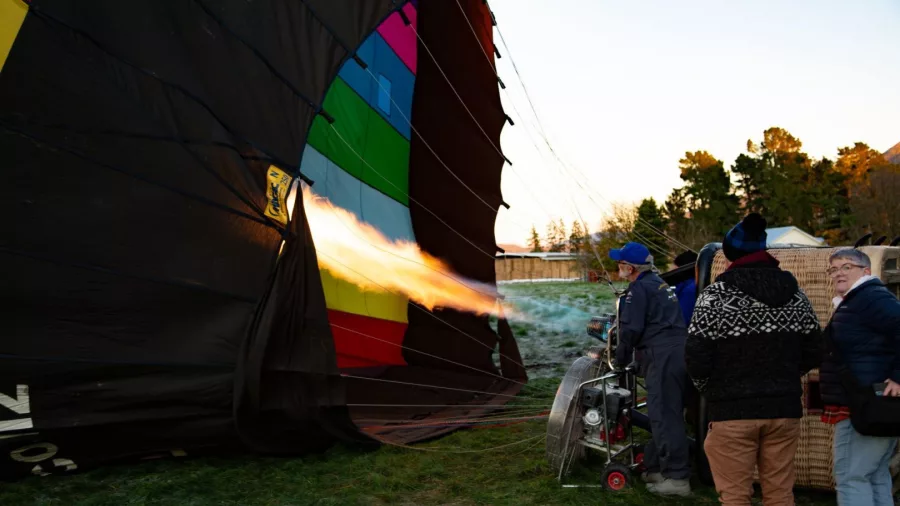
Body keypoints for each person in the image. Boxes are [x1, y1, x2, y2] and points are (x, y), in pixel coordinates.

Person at [684, 213, 821, 506]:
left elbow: (696, 356)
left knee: (735, 497)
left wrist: (711, 389)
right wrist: (784, 376)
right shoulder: (796, 296)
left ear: (731, 255)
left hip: (732, 411)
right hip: (783, 409)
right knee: (780, 495)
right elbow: (814, 349)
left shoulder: (715, 297)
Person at [609, 242, 691, 497]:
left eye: (621, 263)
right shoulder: (659, 283)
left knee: (666, 417)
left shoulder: (638, 289)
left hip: (663, 357)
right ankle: (659, 467)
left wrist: (620, 358)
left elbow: (630, 330)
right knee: (665, 414)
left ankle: (678, 479)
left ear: (630, 267)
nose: (618, 267)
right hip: (678, 352)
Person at [819, 248, 900, 506]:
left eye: (846, 266)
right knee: (873, 474)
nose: (838, 273)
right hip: (870, 401)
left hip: (866, 403)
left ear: (866, 271)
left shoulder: (870, 298)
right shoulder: (858, 300)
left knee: (851, 476)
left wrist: (898, 378)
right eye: (833, 268)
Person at [673, 250, 698, 325]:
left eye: (676, 267)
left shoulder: (690, 289)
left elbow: (682, 319)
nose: (673, 270)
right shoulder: (684, 284)